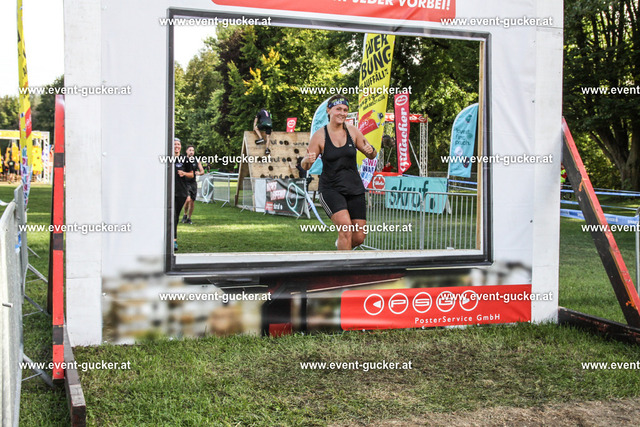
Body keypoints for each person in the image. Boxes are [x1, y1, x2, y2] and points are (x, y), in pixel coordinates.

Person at [301, 95, 377, 250]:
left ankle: (341, 247)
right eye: (338, 109)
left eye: (345, 110)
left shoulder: (353, 131)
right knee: (346, 230)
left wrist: (371, 151)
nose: (342, 113)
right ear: (329, 110)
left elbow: (371, 154)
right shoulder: (320, 136)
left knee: (359, 237)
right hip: (331, 189)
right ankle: (344, 264)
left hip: (354, 188)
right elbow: (305, 165)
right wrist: (307, 159)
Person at [173, 138, 194, 251]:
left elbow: (192, 174)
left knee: (175, 215)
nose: (177, 146)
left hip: (180, 192)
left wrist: (184, 173)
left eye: (178, 144)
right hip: (167, 191)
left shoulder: (185, 160)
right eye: (175, 144)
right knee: (167, 216)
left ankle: (174, 240)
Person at [182, 145, 205, 224]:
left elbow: (202, 171)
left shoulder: (196, 160)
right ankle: (185, 214)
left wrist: (199, 173)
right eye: (190, 150)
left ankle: (189, 218)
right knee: (187, 199)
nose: (191, 152)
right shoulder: (183, 160)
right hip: (185, 182)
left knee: (192, 201)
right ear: (186, 151)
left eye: (193, 150)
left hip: (193, 183)